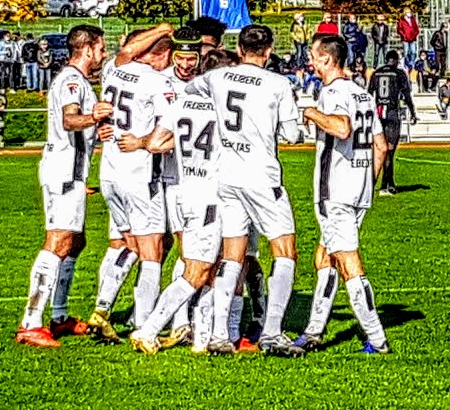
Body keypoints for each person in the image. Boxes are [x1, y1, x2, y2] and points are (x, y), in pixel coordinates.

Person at [188, 24, 306, 357]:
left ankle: (219, 335)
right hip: (262, 177)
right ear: (268, 51)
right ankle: (271, 332)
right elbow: (292, 135)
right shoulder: (278, 84)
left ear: (239, 50)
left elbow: (190, 89)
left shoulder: (218, 78)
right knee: (285, 250)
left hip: (228, 176)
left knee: (232, 254)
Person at [287, 34, 393, 354]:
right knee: (324, 257)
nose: (310, 62)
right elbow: (381, 146)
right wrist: (366, 184)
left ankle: (377, 338)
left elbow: (342, 128)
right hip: (358, 190)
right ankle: (314, 331)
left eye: (313, 56)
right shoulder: (362, 94)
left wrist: (310, 112)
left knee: (348, 263)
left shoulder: (333, 92)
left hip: (336, 192)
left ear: (327, 59)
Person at [14, 24, 112, 348]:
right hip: (64, 172)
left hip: (74, 173)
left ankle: (59, 316)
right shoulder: (72, 80)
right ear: (87, 49)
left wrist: (98, 129)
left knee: (76, 242)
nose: (104, 55)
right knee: (58, 241)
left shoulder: (78, 81)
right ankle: (31, 323)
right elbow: (69, 120)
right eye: (101, 49)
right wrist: (94, 117)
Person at [126, 49, 228, 356]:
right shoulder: (222, 108)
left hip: (183, 190)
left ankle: (201, 339)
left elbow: (156, 142)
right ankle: (149, 329)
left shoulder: (182, 102)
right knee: (198, 270)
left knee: (201, 265)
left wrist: (184, 143)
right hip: (209, 195)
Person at [85, 25, 178, 343]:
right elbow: (170, 128)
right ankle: (145, 324)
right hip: (139, 174)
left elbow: (126, 49)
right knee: (152, 252)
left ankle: (101, 309)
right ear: (164, 53)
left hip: (110, 172)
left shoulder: (115, 69)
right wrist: (144, 141)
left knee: (127, 246)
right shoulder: (157, 81)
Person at [369, 51, 417, 196]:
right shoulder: (399, 73)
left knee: (380, 149)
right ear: (396, 60)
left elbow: (369, 94)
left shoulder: (376, 73)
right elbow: (406, 94)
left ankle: (385, 182)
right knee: (390, 149)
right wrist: (412, 112)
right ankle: (385, 184)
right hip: (392, 112)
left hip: (378, 112)